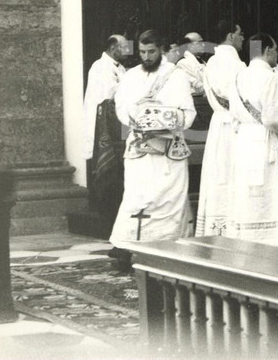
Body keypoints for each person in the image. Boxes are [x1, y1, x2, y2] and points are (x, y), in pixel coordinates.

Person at [108, 29, 196, 270]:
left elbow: (189, 114)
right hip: (139, 149)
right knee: (137, 199)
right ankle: (126, 248)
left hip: (169, 152)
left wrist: (162, 117)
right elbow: (121, 107)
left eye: (151, 51)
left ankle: (171, 249)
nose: (146, 57)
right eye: (142, 52)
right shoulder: (130, 76)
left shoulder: (176, 76)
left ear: (161, 49)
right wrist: (137, 118)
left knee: (169, 199)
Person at [225, 33, 278, 249]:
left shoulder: (238, 77)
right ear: (267, 50)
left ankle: (245, 244)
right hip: (266, 141)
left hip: (244, 140)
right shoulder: (271, 77)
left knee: (247, 195)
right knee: (269, 194)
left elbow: (234, 115)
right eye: (275, 49)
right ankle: (271, 244)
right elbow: (275, 118)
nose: (277, 53)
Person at [194, 20, 246, 237]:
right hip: (235, 125)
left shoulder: (211, 63)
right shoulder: (238, 66)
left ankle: (217, 227)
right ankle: (234, 229)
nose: (243, 37)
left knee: (218, 177)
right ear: (230, 36)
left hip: (218, 126)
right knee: (233, 176)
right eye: (240, 33)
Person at [83, 34, 128, 162]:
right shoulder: (100, 67)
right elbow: (109, 95)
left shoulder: (120, 68)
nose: (128, 51)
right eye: (125, 47)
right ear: (113, 47)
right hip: (105, 122)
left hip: (117, 122)